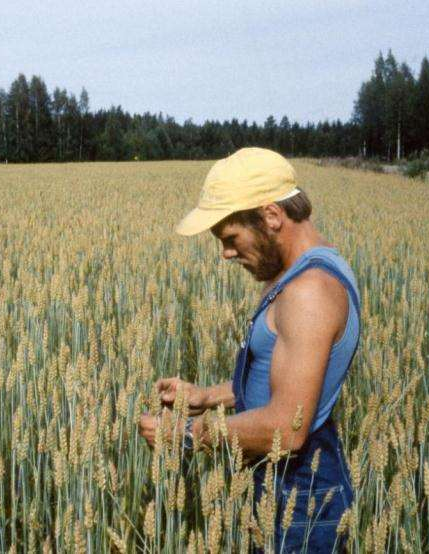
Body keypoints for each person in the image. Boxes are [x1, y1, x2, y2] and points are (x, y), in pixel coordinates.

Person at [137, 147, 359, 552]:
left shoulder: (309, 293)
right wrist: (207, 396)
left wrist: (185, 435)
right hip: (290, 486)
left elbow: (287, 428)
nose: (225, 254)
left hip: (304, 496)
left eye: (230, 238)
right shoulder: (305, 274)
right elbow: (286, 379)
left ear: (272, 216)